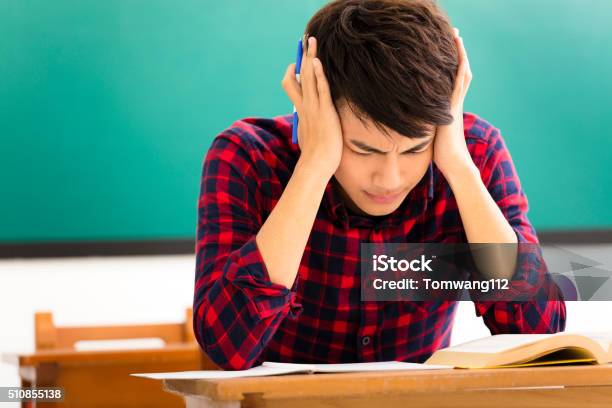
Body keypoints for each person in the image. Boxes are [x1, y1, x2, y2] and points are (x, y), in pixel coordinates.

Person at [193, 0, 566, 370]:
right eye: (362, 149)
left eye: (414, 149)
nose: (389, 179)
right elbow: (228, 347)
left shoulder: (474, 153)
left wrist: (458, 168)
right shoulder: (248, 157)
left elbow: (537, 331)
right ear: (310, 104)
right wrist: (315, 165)